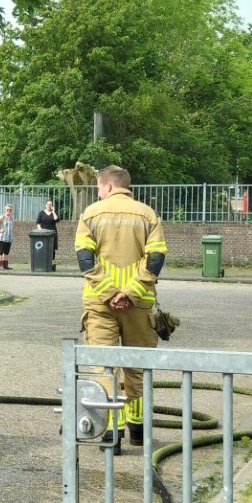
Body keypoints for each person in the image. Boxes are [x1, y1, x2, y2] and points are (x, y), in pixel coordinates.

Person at [74, 165, 166, 447]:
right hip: (138, 305)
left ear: (109, 186)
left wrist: (109, 292)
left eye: (100, 188)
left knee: (105, 367)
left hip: (100, 303)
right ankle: (138, 429)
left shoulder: (90, 214)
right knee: (137, 365)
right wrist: (131, 292)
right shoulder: (148, 215)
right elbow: (156, 258)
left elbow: (84, 257)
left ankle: (112, 432)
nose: (99, 193)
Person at [34, 198, 60, 265]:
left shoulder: (54, 213)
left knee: (52, 248)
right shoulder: (41, 213)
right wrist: (40, 230)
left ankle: (51, 263)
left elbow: (57, 220)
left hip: (52, 233)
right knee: (43, 247)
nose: (49, 205)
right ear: (45, 205)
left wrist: (53, 211)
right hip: (43, 234)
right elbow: (38, 222)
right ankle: (43, 262)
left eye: (50, 204)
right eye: (48, 204)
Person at [0, 204, 16, 270]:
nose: (9, 211)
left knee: (6, 252)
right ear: (5, 210)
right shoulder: (2, 217)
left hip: (9, 238)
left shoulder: (11, 218)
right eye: (7, 209)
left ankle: (5, 265)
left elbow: (12, 226)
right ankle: (0, 265)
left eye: (10, 210)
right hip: (2, 237)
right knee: (0, 251)